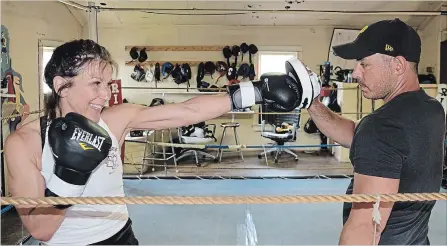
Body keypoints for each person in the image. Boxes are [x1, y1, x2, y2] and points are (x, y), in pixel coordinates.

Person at [3, 39, 313, 245]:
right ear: (61, 86)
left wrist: (254, 93)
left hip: (122, 237)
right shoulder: (25, 143)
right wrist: (70, 174)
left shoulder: (114, 119)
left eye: (108, 84)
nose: (104, 95)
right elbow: (41, 230)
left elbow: (186, 111)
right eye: (95, 84)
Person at [306, 18, 445, 244]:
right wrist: (310, 103)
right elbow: (356, 134)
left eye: (364, 63)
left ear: (398, 66)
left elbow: (365, 227)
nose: (355, 73)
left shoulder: (382, 126)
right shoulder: (431, 109)